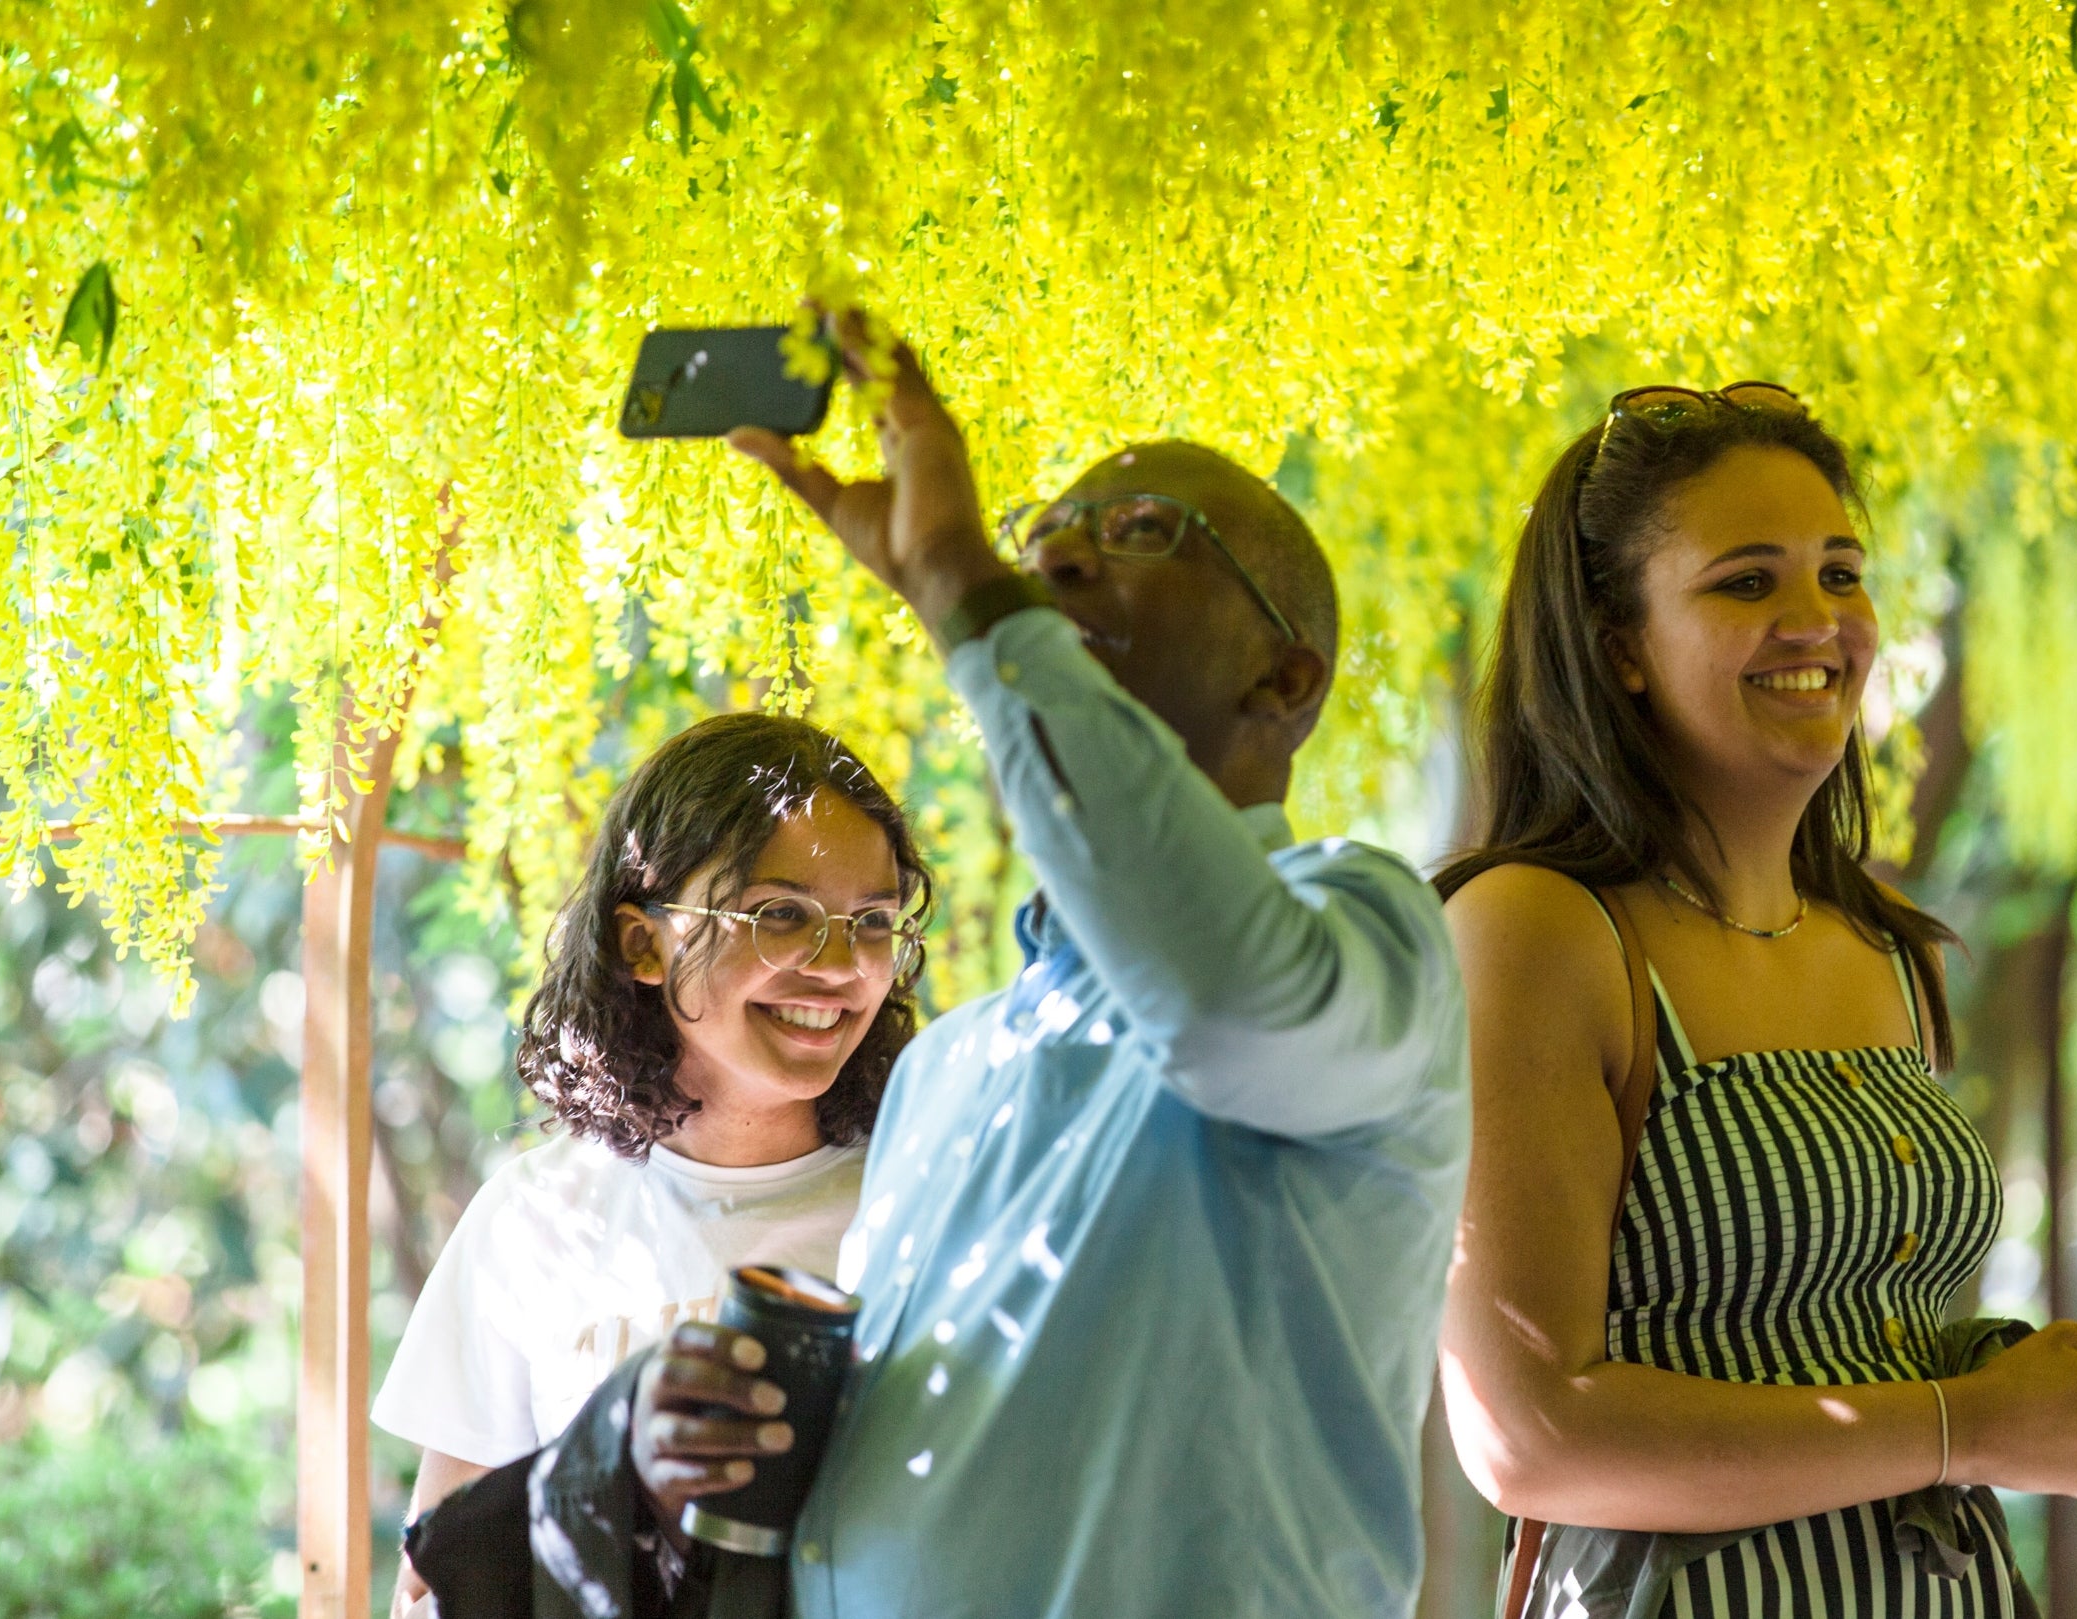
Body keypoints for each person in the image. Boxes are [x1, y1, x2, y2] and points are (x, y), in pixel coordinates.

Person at [608, 311, 1467, 1617]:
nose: (1056, 552)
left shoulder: (1368, 931)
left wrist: (965, 582)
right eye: (1037, 536)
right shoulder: (953, 1057)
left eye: (1135, 532)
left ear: (1285, 681)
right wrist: (702, 1438)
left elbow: (1218, 995)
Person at [1435, 383, 2077, 1616]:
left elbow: (1837, 1339)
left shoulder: (1881, 949)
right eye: (1747, 582)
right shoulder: (1536, 933)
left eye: (1841, 574)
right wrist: (1968, 1426)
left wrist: (2053, 1391)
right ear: (1616, 642)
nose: (1819, 622)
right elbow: (1532, 1434)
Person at [376, 712, 931, 1616]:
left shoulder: (931, 1192)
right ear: (642, 943)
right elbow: (433, 1588)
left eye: (871, 921)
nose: (840, 966)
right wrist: (623, 1467)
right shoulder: (534, 1217)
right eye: (779, 913)